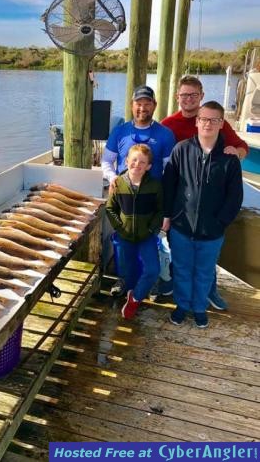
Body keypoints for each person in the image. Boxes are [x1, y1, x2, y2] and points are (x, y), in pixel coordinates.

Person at [161, 75, 249, 310]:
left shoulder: (215, 118)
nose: (188, 99)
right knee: (178, 252)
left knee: (206, 259)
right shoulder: (168, 124)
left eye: (193, 94)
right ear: (177, 97)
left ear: (201, 96)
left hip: (211, 202)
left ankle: (208, 290)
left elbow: (242, 147)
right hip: (183, 203)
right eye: (184, 95)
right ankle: (176, 288)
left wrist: (233, 158)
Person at [102, 85, 175, 297]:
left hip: (151, 199)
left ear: (154, 105)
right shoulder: (120, 131)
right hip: (124, 196)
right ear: (132, 105)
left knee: (149, 243)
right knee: (124, 244)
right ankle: (124, 280)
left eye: (147, 103)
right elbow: (106, 161)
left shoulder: (165, 135)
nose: (142, 108)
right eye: (138, 103)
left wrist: (164, 211)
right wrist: (113, 177)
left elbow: (170, 171)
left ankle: (148, 281)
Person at [106, 144, 163, 319]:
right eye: (134, 160)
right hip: (125, 236)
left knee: (153, 270)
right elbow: (110, 208)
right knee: (127, 272)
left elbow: (160, 210)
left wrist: (152, 228)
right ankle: (128, 292)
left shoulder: (155, 186)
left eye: (142, 162)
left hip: (146, 236)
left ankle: (136, 298)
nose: (137, 164)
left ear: (149, 166)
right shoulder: (118, 183)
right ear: (126, 161)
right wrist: (119, 227)